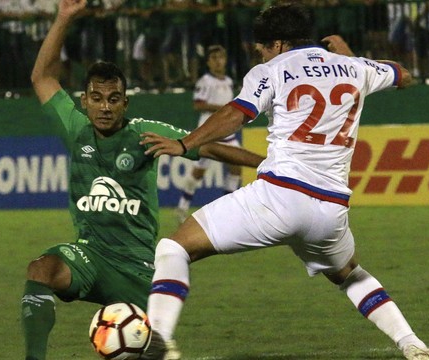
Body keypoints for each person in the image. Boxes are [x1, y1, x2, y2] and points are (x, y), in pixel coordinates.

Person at [139, 3, 429, 360]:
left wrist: (185, 143)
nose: (260, 53)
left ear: (279, 43)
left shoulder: (270, 71)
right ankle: (414, 346)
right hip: (330, 211)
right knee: (349, 274)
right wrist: (354, 59)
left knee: (173, 248)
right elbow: (405, 76)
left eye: (262, 47)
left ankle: (156, 341)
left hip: (278, 198)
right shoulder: (356, 67)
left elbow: (237, 114)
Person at [22, 1, 265, 360]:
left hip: (137, 266)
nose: (105, 107)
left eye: (114, 99)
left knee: (153, 351)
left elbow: (210, 148)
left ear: (125, 104)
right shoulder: (75, 130)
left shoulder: (145, 134)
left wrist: (265, 164)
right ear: (85, 101)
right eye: (97, 99)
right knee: (41, 269)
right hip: (89, 255)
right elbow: (42, 77)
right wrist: (63, 19)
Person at [176, 45, 242, 223]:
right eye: (213, 58)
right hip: (209, 133)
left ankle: (228, 209)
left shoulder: (228, 81)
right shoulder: (205, 81)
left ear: (225, 60)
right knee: (199, 172)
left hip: (227, 134)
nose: (218, 61)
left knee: (236, 168)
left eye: (220, 57)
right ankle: (182, 206)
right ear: (208, 62)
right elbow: (198, 104)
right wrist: (223, 109)